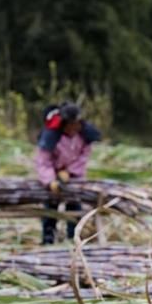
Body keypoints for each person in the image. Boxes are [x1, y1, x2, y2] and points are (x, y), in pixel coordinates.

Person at [35, 102, 101, 244]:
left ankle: (73, 239)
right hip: (53, 176)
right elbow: (43, 161)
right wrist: (50, 180)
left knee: (74, 208)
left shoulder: (84, 135)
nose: (73, 128)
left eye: (76, 124)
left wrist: (70, 172)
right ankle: (48, 240)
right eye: (70, 124)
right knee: (50, 210)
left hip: (74, 178)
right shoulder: (51, 136)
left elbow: (84, 157)